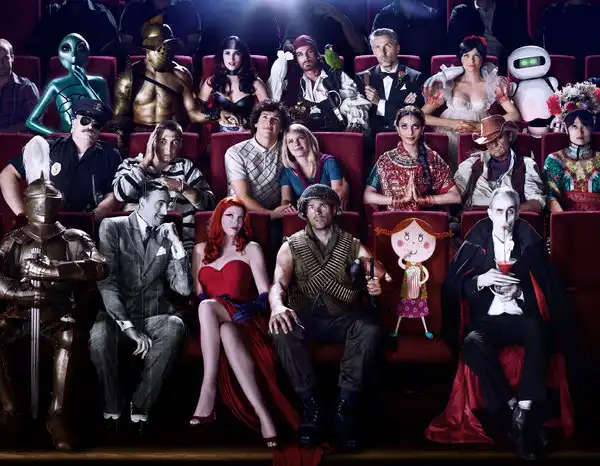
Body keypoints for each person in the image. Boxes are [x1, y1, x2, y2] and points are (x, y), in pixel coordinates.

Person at [439, 186, 579, 460]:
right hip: (487, 321)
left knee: (540, 332)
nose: (505, 219)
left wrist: (521, 292)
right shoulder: (476, 242)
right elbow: (455, 287)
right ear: (490, 213)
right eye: (500, 211)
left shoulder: (528, 240)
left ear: (518, 213)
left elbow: (548, 288)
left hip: (520, 317)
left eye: (511, 212)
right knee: (471, 344)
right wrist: (481, 281)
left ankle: (523, 414)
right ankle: (515, 410)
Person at [269, 184, 387, 449]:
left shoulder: (351, 244)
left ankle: (344, 409)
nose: (318, 212)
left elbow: (376, 270)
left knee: (369, 330)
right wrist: (277, 307)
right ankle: (311, 408)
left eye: (323, 205)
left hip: (342, 318)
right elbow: (278, 285)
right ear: (304, 211)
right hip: (305, 317)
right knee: (281, 329)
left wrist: (373, 278)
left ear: (335, 210)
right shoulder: (291, 246)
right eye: (311, 207)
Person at [0, 175, 107, 451]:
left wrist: (54, 270)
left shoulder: (73, 238)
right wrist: (17, 293)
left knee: (70, 336)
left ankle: (58, 415)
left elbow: (99, 266)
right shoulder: (14, 240)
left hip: (59, 315)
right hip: (20, 315)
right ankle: (10, 409)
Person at [190, 197, 300, 447]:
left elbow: (264, 293)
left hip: (247, 318)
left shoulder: (251, 248)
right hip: (215, 325)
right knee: (224, 329)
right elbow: (199, 295)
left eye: (240, 218)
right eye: (230, 216)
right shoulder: (199, 250)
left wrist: (250, 308)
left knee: (210, 309)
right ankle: (265, 417)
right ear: (218, 218)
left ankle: (208, 388)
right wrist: (215, 305)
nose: (235, 222)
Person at [90, 180, 191, 433]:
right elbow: (107, 283)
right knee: (99, 336)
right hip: (116, 315)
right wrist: (128, 328)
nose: (165, 210)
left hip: (153, 314)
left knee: (175, 325)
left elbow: (183, 289)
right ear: (142, 202)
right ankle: (112, 406)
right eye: (160, 204)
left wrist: (177, 246)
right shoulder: (112, 227)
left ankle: (140, 406)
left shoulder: (166, 234)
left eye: (168, 204)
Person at [0, 98, 121, 222]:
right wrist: (22, 215)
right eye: (85, 121)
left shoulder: (111, 155)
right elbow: (7, 175)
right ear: (73, 123)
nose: (90, 126)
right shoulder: (47, 147)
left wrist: (98, 213)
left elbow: (114, 192)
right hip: (46, 223)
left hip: (87, 224)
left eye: (96, 125)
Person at [112, 120, 215, 252]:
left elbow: (210, 205)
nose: (168, 149)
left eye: (175, 142)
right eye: (163, 141)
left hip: (180, 242)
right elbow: (121, 194)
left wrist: (183, 188)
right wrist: (144, 164)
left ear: (181, 144)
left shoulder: (185, 167)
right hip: (137, 243)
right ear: (153, 141)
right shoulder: (131, 165)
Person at [422, 36, 520, 170]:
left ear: (482, 58)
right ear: (461, 58)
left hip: (480, 133)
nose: (471, 61)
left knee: (475, 170)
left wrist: (481, 126)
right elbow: (421, 116)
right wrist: (451, 123)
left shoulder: (493, 84)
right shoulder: (448, 83)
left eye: (476, 56)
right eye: (466, 56)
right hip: (448, 131)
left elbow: (514, 115)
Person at [113, 23, 205, 157]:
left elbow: (193, 113)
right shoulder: (130, 76)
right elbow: (119, 118)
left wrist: (218, 114)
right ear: (148, 48)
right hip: (140, 136)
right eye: (161, 45)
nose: (165, 50)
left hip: (172, 136)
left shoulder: (181, 74)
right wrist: (122, 147)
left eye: (168, 45)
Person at [364, 106, 461, 211]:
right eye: (404, 126)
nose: (410, 132)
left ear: (422, 129)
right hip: (396, 219)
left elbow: (456, 197)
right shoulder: (386, 160)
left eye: (415, 126)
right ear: (398, 129)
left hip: (426, 218)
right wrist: (399, 201)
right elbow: (368, 196)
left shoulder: (433, 159)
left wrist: (424, 200)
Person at [268, 35, 370, 133]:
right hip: (302, 136)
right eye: (300, 54)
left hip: (335, 132)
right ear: (296, 59)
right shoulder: (291, 81)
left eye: (309, 52)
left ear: (317, 54)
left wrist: (355, 122)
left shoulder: (336, 76)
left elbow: (354, 99)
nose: (306, 58)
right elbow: (274, 99)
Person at [455, 115, 545, 213]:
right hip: (476, 218)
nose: (494, 144)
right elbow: (455, 194)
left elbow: (537, 201)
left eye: (499, 138)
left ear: (509, 136)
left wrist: (510, 213)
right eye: (489, 140)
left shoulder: (527, 164)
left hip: (512, 219)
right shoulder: (471, 164)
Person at [26, 33, 110, 135]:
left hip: (91, 137)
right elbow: (31, 121)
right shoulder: (55, 85)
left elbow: (106, 117)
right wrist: (57, 136)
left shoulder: (98, 82)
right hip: (64, 140)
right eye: (66, 49)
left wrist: (87, 86)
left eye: (80, 49)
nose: (73, 56)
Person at [224, 100, 293, 219]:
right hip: (239, 214)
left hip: (275, 211)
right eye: (264, 117)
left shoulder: (288, 149)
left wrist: (282, 208)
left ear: (281, 128)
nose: (269, 122)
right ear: (255, 123)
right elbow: (242, 196)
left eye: (275, 119)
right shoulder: (235, 152)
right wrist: (270, 214)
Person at [356, 28, 426, 135]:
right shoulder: (362, 78)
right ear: (373, 51)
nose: (383, 53)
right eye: (377, 47)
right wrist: (400, 106)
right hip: (371, 137)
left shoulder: (415, 78)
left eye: (387, 46)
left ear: (397, 48)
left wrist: (379, 103)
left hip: (404, 136)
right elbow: (364, 115)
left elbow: (412, 115)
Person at [544, 88, 600, 211]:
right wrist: (564, 220)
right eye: (574, 126)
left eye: (585, 125)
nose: (580, 132)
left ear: (592, 126)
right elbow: (551, 195)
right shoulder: (555, 160)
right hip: (565, 219)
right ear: (566, 129)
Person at [197, 36, 268, 132]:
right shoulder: (212, 81)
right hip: (218, 135)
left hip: (247, 134)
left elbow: (269, 113)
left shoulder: (255, 83)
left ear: (243, 56)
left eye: (237, 53)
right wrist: (217, 113)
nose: (231, 58)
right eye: (227, 53)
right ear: (221, 55)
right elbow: (197, 112)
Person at [26, 0, 119, 72]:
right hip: (59, 79)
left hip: (93, 77)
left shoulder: (101, 15)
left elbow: (113, 50)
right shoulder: (53, 15)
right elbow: (34, 48)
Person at [280, 1, 369, 72]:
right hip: (312, 69)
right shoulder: (301, 15)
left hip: (344, 68)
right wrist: (290, 48)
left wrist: (341, 19)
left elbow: (360, 48)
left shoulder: (348, 8)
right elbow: (288, 42)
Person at [280, 123, 348, 209]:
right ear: (287, 147)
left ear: (309, 139)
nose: (296, 143)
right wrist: (286, 206)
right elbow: (286, 199)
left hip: (328, 211)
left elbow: (337, 194)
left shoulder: (329, 162)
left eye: (300, 138)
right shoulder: (287, 171)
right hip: (302, 213)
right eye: (290, 141)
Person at [448, 0, 529, 70]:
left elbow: (522, 41)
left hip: (504, 64)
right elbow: (457, 44)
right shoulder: (461, 12)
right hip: (474, 65)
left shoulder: (507, 10)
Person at [371, 0, 445, 70]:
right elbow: (375, 48)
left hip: (424, 73)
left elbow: (440, 51)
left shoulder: (432, 15)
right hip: (391, 72)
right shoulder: (383, 16)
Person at [535, 0, 600, 79]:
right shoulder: (550, 12)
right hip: (559, 73)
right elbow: (541, 47)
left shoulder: (596, 12)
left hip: (594, 75)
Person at [119, 0, 201, 56]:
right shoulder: (133, 8)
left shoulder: (187, 8)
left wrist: (174, 52)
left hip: (178, 67)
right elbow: (126, 44)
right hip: (142, 68)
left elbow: (193, 44)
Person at [0, 39, 40, 133]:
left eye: (5, 58)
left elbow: (35, 121)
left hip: (14, 139)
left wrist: (6, 133)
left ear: (12, 58)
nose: (1, 63)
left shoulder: (26, 87)